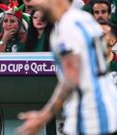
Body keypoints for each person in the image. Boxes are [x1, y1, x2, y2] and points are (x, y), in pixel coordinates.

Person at [17, 0, 117, 135]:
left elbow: (71, 78)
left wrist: (43, 117)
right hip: (105, 110)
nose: (36, 2)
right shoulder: (84, 18)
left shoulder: (67, 26)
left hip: (90, 117)